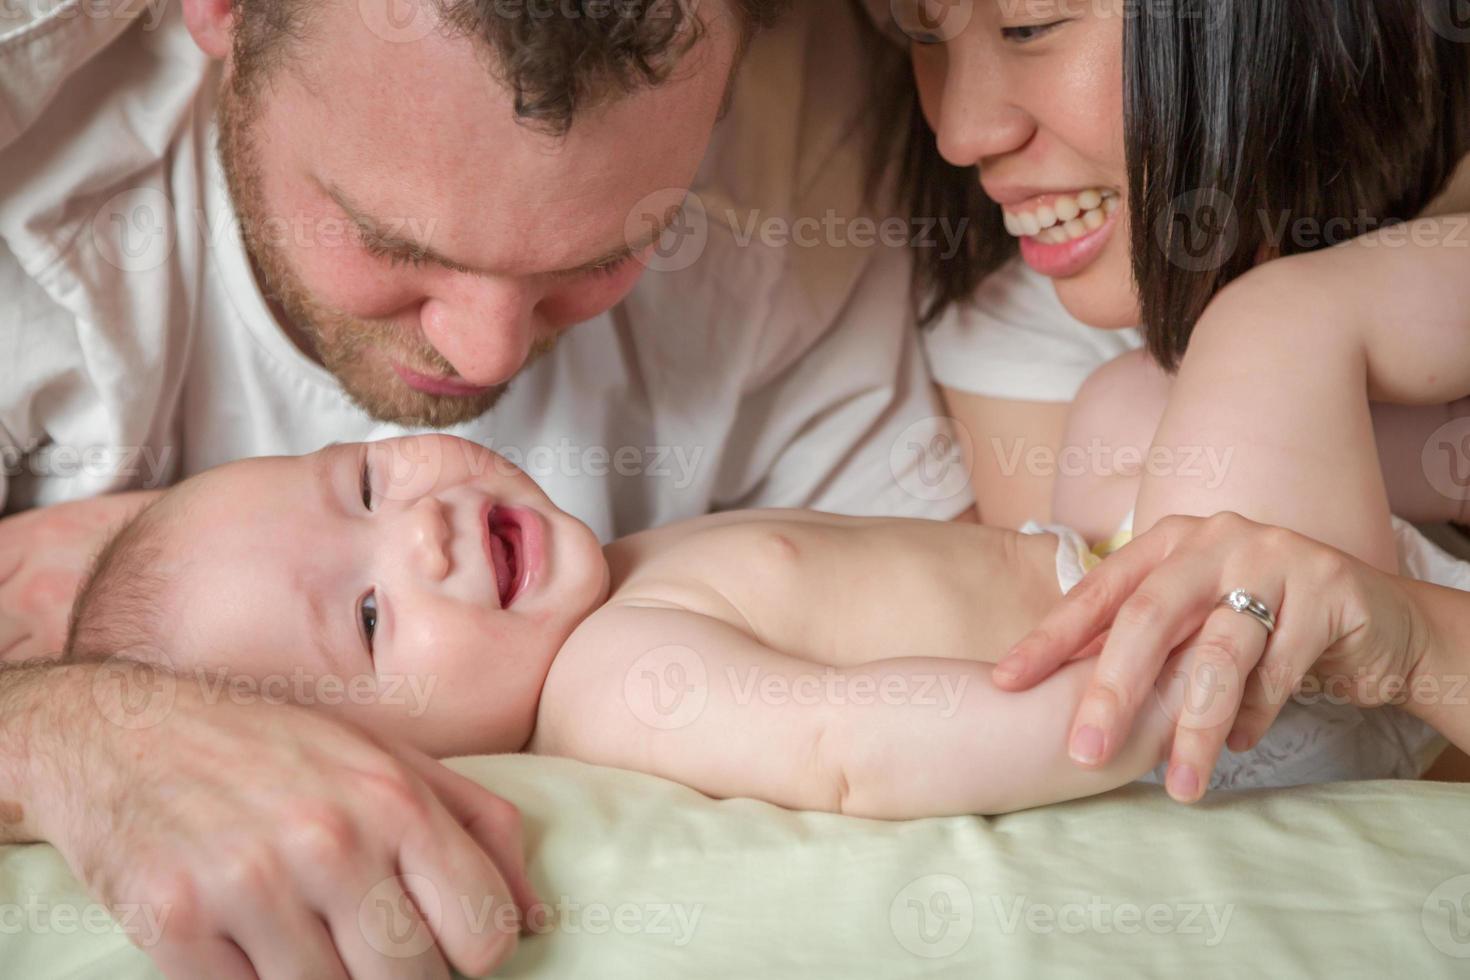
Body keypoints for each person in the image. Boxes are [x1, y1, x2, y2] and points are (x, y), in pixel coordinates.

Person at [0, 1, 1023, 975]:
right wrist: (80, 732)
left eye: (611, 252)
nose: (485, 355)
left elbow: (968, 598)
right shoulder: (31, 167)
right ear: (223, 12)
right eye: (392, 244)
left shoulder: (800, 152)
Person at [879, 0, 1470, 797]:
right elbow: (1181, 765)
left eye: (1028, 26)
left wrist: (1290, 321)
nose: (961, 131)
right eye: (921, 33)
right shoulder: (1031, 328)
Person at [61, 433, 1177, 817]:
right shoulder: (618, 682)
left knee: (1133, 396)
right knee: (1266, 337)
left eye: (362, 480)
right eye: (365, 618)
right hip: (1158, 666)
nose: (421, 534)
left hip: (1101, 561)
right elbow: (853, 750)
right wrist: (1150, 698)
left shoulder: (604, 584)